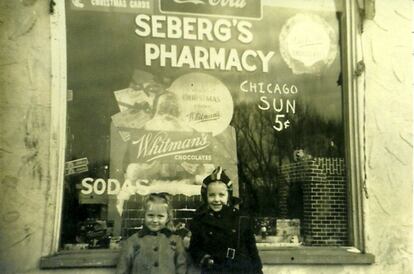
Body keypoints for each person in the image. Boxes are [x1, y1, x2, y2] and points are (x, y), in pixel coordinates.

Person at [188, 167, 263, 274]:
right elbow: (194, 248)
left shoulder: (240, 218)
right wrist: (205, 259)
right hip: (214, 269)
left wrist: (257, 270)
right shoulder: (200, 220)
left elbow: (252, 249)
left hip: (240, 268)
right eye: (212, 195)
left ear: (228, 196)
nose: (217, 199)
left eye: (221, 195)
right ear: (205, 197)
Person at [116, 193, 187, 274]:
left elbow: (181, 268)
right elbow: (122, 270)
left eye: (160, 216)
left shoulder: (176, 242)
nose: (155, 220)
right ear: (144, 215)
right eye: (150, 215)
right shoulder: (133, 241)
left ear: (167, 218)